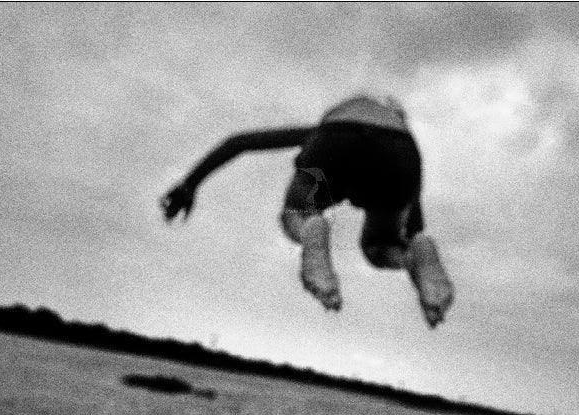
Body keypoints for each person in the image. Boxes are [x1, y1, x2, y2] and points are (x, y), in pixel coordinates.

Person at [160, 95, 454, 328]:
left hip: (337, 135)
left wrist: (190, 184)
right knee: (380, 245)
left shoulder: (342, 120)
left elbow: (240, 143)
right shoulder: (404, 139)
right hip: (401, 157)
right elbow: (415, 230)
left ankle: (309, 228)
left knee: (295, 213)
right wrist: (419, 269)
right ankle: (408, 258)